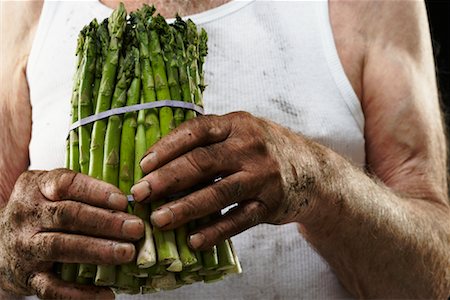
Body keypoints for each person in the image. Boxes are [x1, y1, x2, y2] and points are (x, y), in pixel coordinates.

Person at [1, 0, 449, 299]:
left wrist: (317, 181)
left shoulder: (368, 7)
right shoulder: (26, 9)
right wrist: (9, 253)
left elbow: (437, 273)